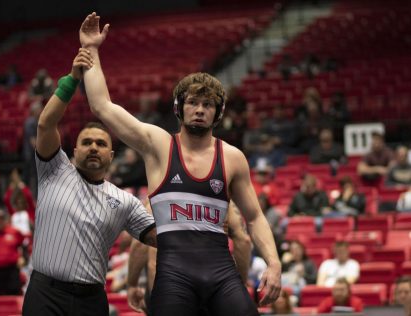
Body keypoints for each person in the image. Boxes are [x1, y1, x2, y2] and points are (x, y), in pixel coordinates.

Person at [80, 12, 281, 315]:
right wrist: (92, 48)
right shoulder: (159, 146)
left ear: (218, 113)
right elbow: (102, 106)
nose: (199, 110)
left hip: (221, 273)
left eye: (207, 105)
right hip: (174, 274)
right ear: (179, 108)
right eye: (192, 103)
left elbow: (253, 218)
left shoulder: (232, 157)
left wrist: (274, 263)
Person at [21, 48, 156, 316]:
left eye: (101, 143)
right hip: (44, 294)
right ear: (74, 151)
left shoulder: (125, 201)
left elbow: (157, 237)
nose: (93, 147)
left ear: (111, 155)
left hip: (91, 300)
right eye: (87, 142)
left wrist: (200, 230)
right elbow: (46, 125)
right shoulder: (54, 169)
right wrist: (72, 79)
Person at [127, 201, 253, 314]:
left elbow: (139, 245)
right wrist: (239, 285)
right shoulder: (222, 201)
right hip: (214, 286)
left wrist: (132, 284)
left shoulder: (158, 199)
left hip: (169, 290)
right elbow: (244, 241)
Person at [0, 208, 25, 296]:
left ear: (5, 220)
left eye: (1, 219)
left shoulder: (15, 232)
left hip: (12, 269)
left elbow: (24, 245)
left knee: (14, 293)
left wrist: (23, 257)